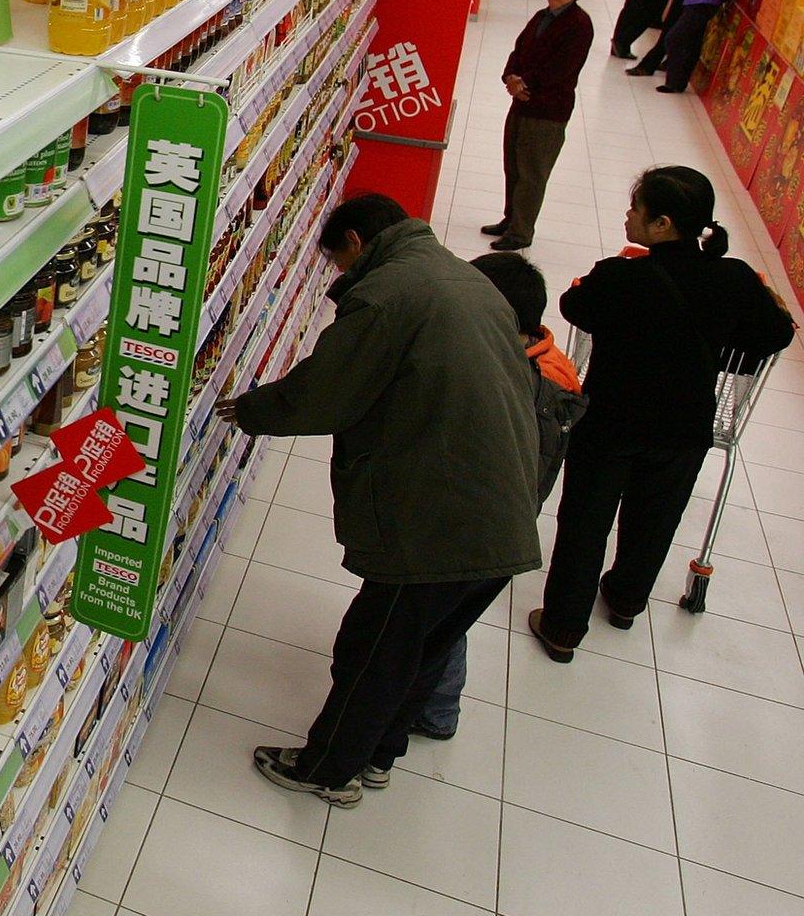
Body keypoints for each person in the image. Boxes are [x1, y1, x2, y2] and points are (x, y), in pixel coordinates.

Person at [216, 195, 542, 806]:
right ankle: (378, 758)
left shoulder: (387, 295)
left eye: (338, 262)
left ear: (358, 243)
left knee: (374, 650)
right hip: (503, 510)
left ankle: (327, 770)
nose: (340, 275)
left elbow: (327, 392)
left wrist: (252, 409)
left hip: (438, 522)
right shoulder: (462, 278)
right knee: (424, 650)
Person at [530, 167, 795, 661]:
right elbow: (775, 333)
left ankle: (564, 627)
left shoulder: (619, 277)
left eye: (637, 209)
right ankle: (627, 600)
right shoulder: (733, 279)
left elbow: (572, 306)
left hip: (610, 423)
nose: (628, 215)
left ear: (662, 224)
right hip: (684, 429)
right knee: (655, 520)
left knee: (586, 523)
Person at [413, 253, 584, 741]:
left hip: (480, 519)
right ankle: (437, 708)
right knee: (448, 617)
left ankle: (434, 710)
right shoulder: (550, 364)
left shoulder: (518, 380)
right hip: (505, 516)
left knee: (438, 619)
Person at [484, 0, 597, 251]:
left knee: (532, 172)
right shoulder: (542, 15)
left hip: (547, 111)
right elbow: (519, 49)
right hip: (521, 104)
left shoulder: (579, 25)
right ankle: (510, 219)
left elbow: (561, 68)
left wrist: (525, 83)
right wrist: (510, 76)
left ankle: (521, 232)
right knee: (513, 165)